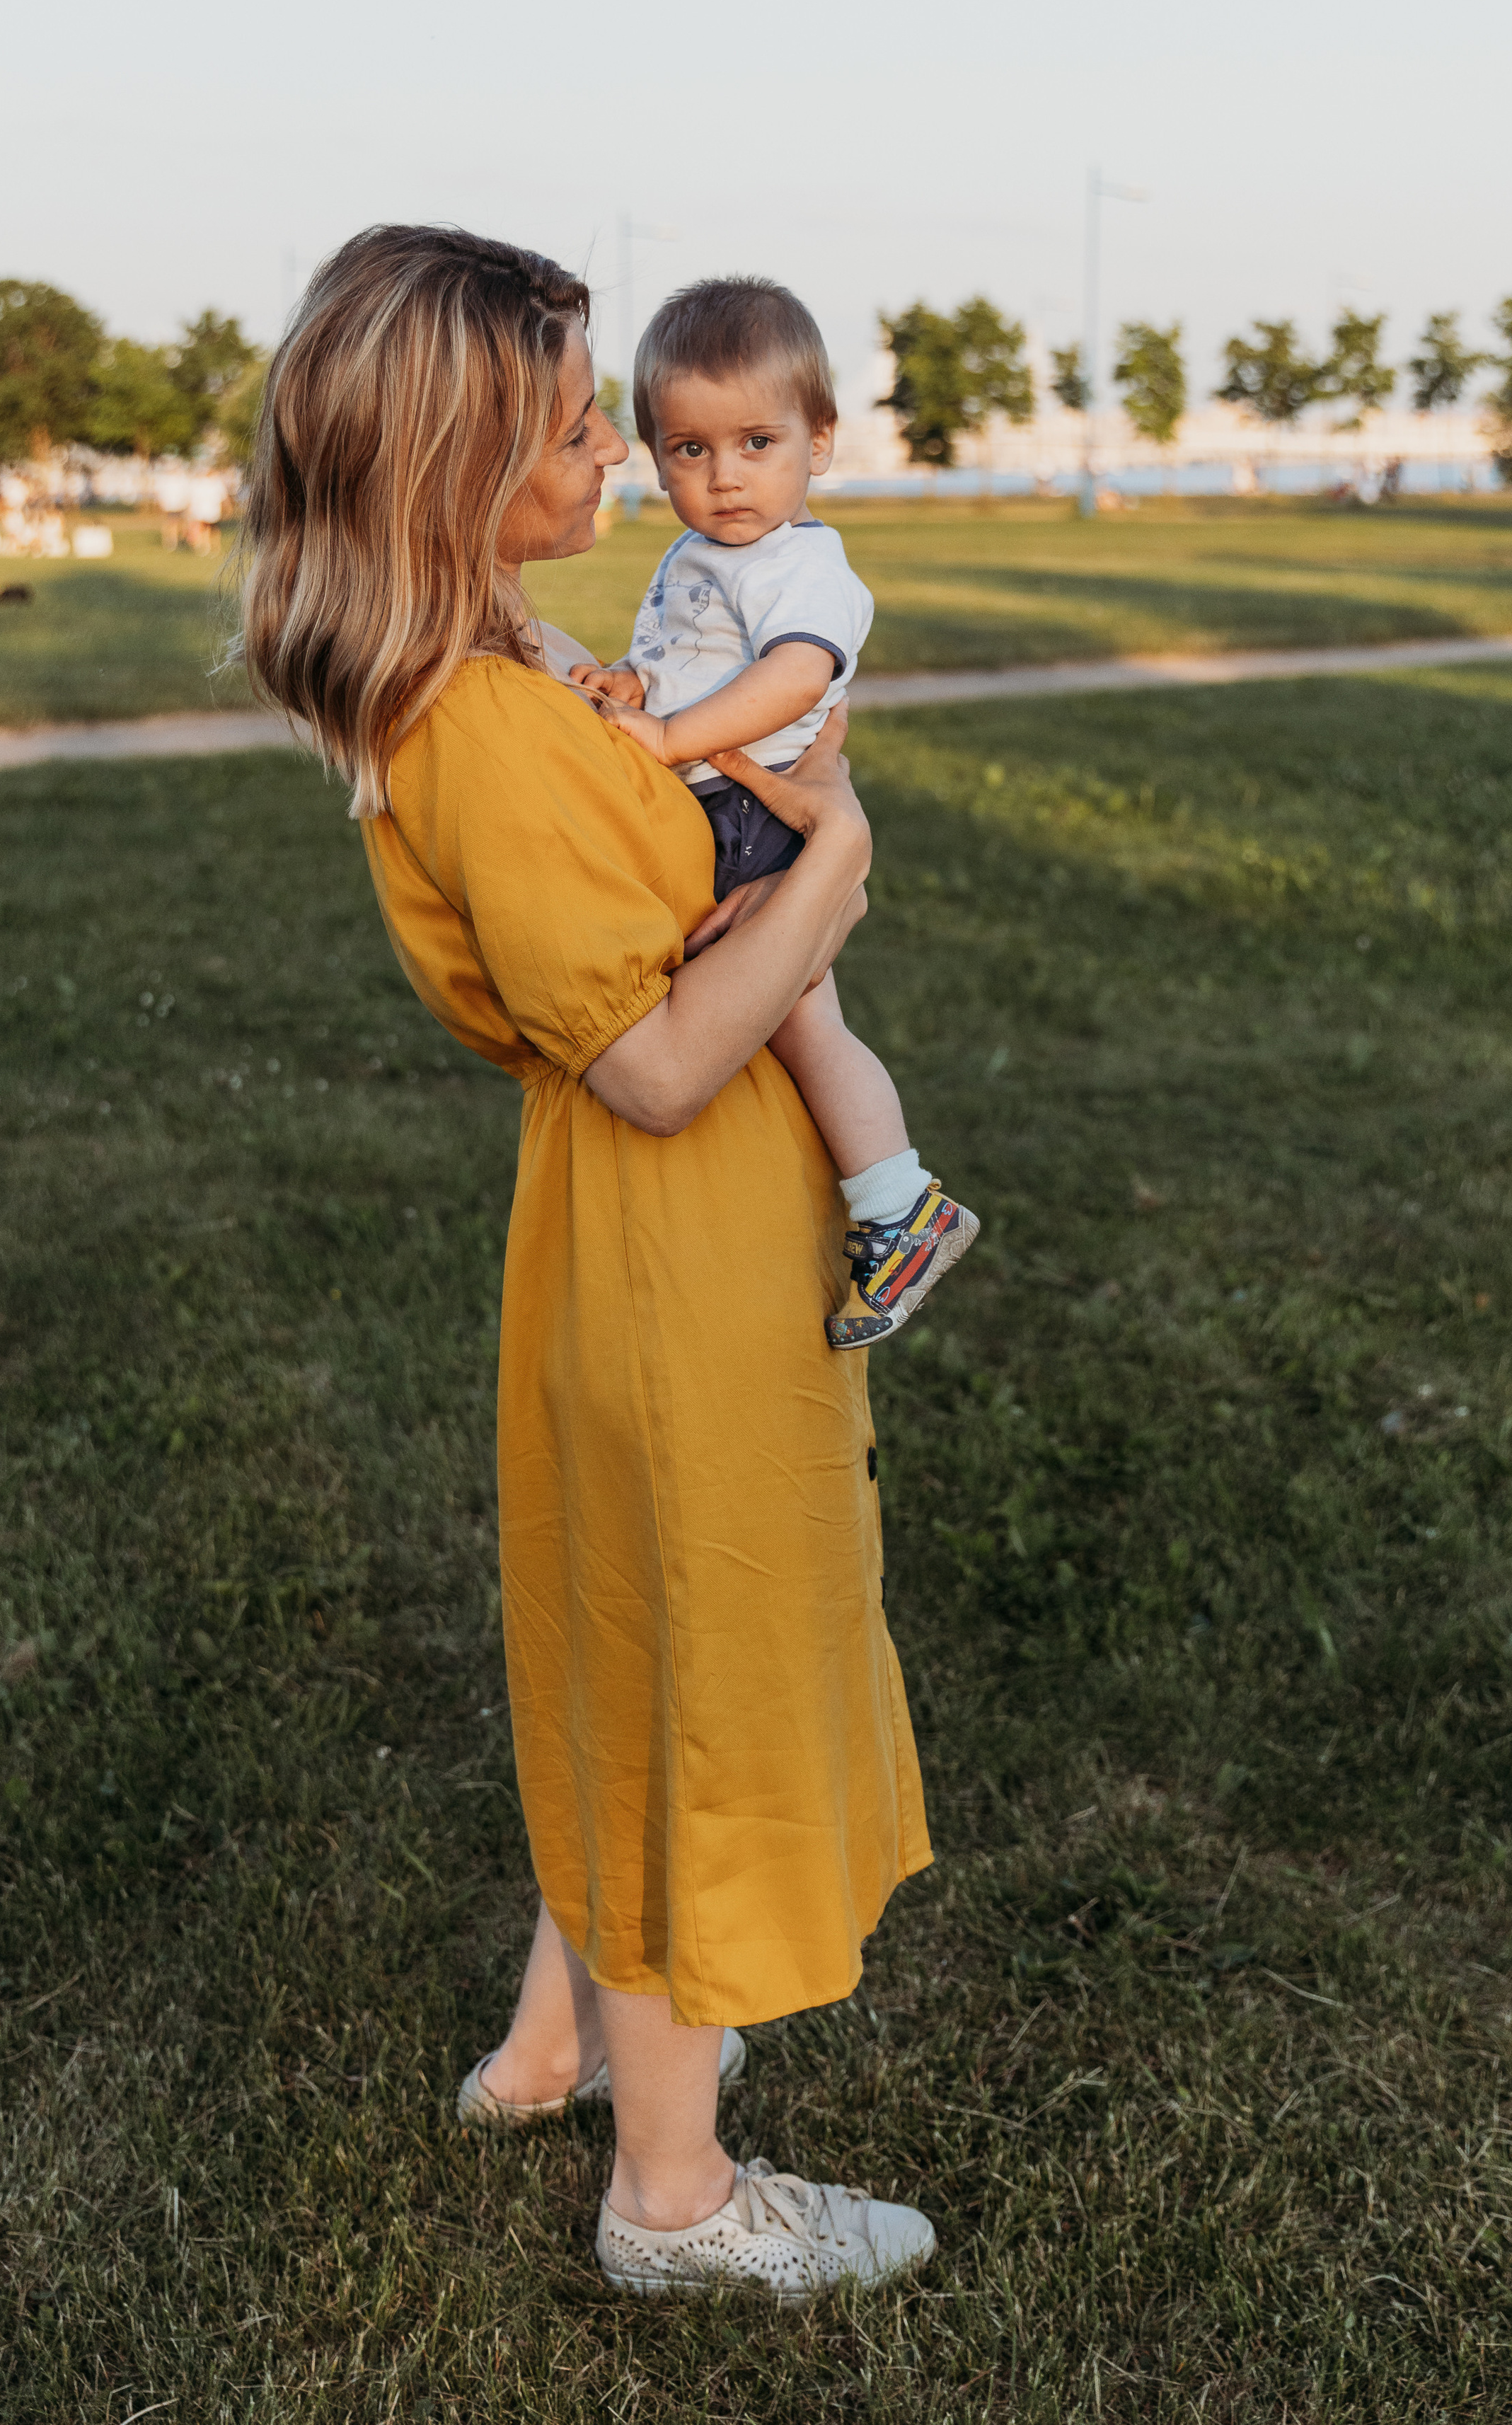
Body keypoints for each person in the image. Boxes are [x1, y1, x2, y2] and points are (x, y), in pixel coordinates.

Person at [236, 225, 937, 2298]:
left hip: (699, 1227)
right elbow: (652, 1063)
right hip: (659, 1237)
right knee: (685, 1678)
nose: (615, 458)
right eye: (569, 428)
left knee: (635, 1647)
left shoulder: (529, 665)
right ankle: (674, 2199)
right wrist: (838, 861)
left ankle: (554, 2047)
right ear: (457, 466)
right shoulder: (474, 720)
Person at [569, 279, 979, 1351]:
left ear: (820, 441)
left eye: (757, 442)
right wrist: (632, 684)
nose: (725, 475)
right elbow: (684, 657)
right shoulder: (701, 555)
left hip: (754, 810)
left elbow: (797, 676)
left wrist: (672, 738)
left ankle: (901, 1204)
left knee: (799, 1016)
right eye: (690, 450)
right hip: (719, 796)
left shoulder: (802, 564)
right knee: (767, 1011)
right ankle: (858, 1200)